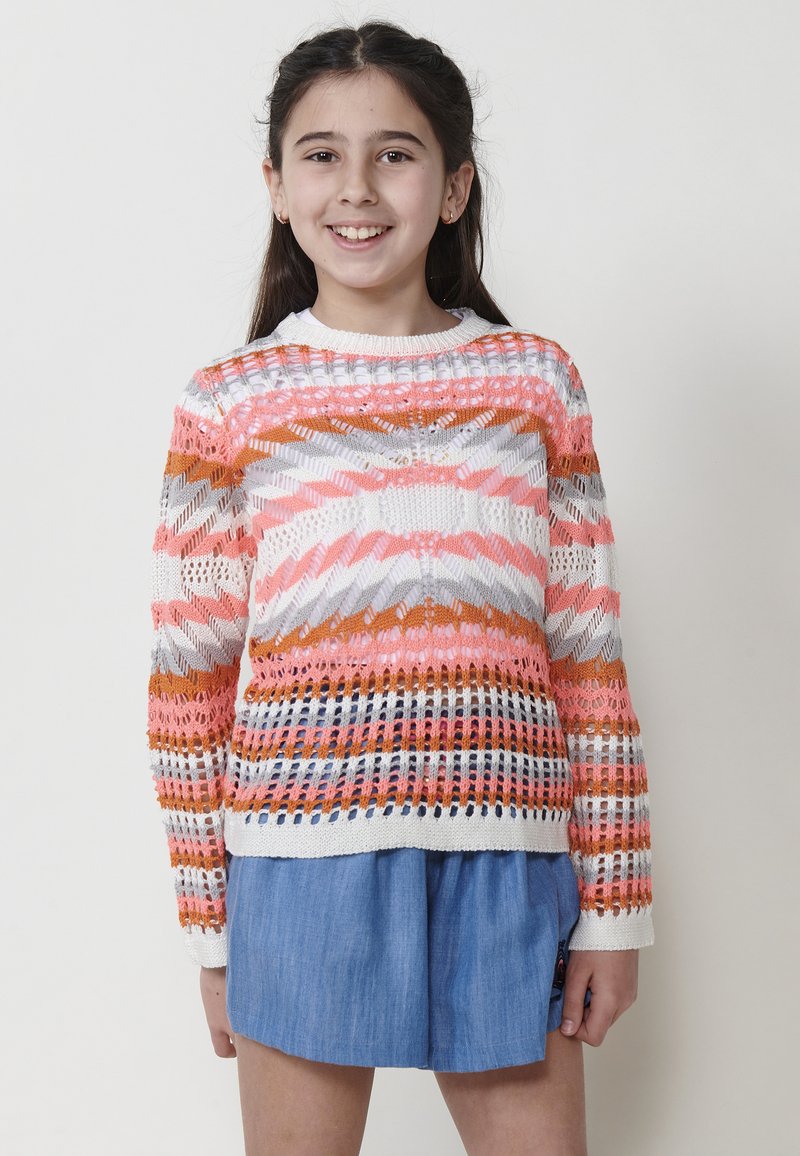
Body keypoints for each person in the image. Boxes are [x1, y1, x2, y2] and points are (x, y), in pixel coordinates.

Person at [147, 18, 654, 1156]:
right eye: (321, 155)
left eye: (396, 153)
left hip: (508, 863)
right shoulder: (229, 402)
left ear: (455, 184)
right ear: (276, 187)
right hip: (297, 869)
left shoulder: (535, 383)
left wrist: (615, 911)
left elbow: (586, 656)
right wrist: (211, 935)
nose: (357, 188)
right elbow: (189, 689)